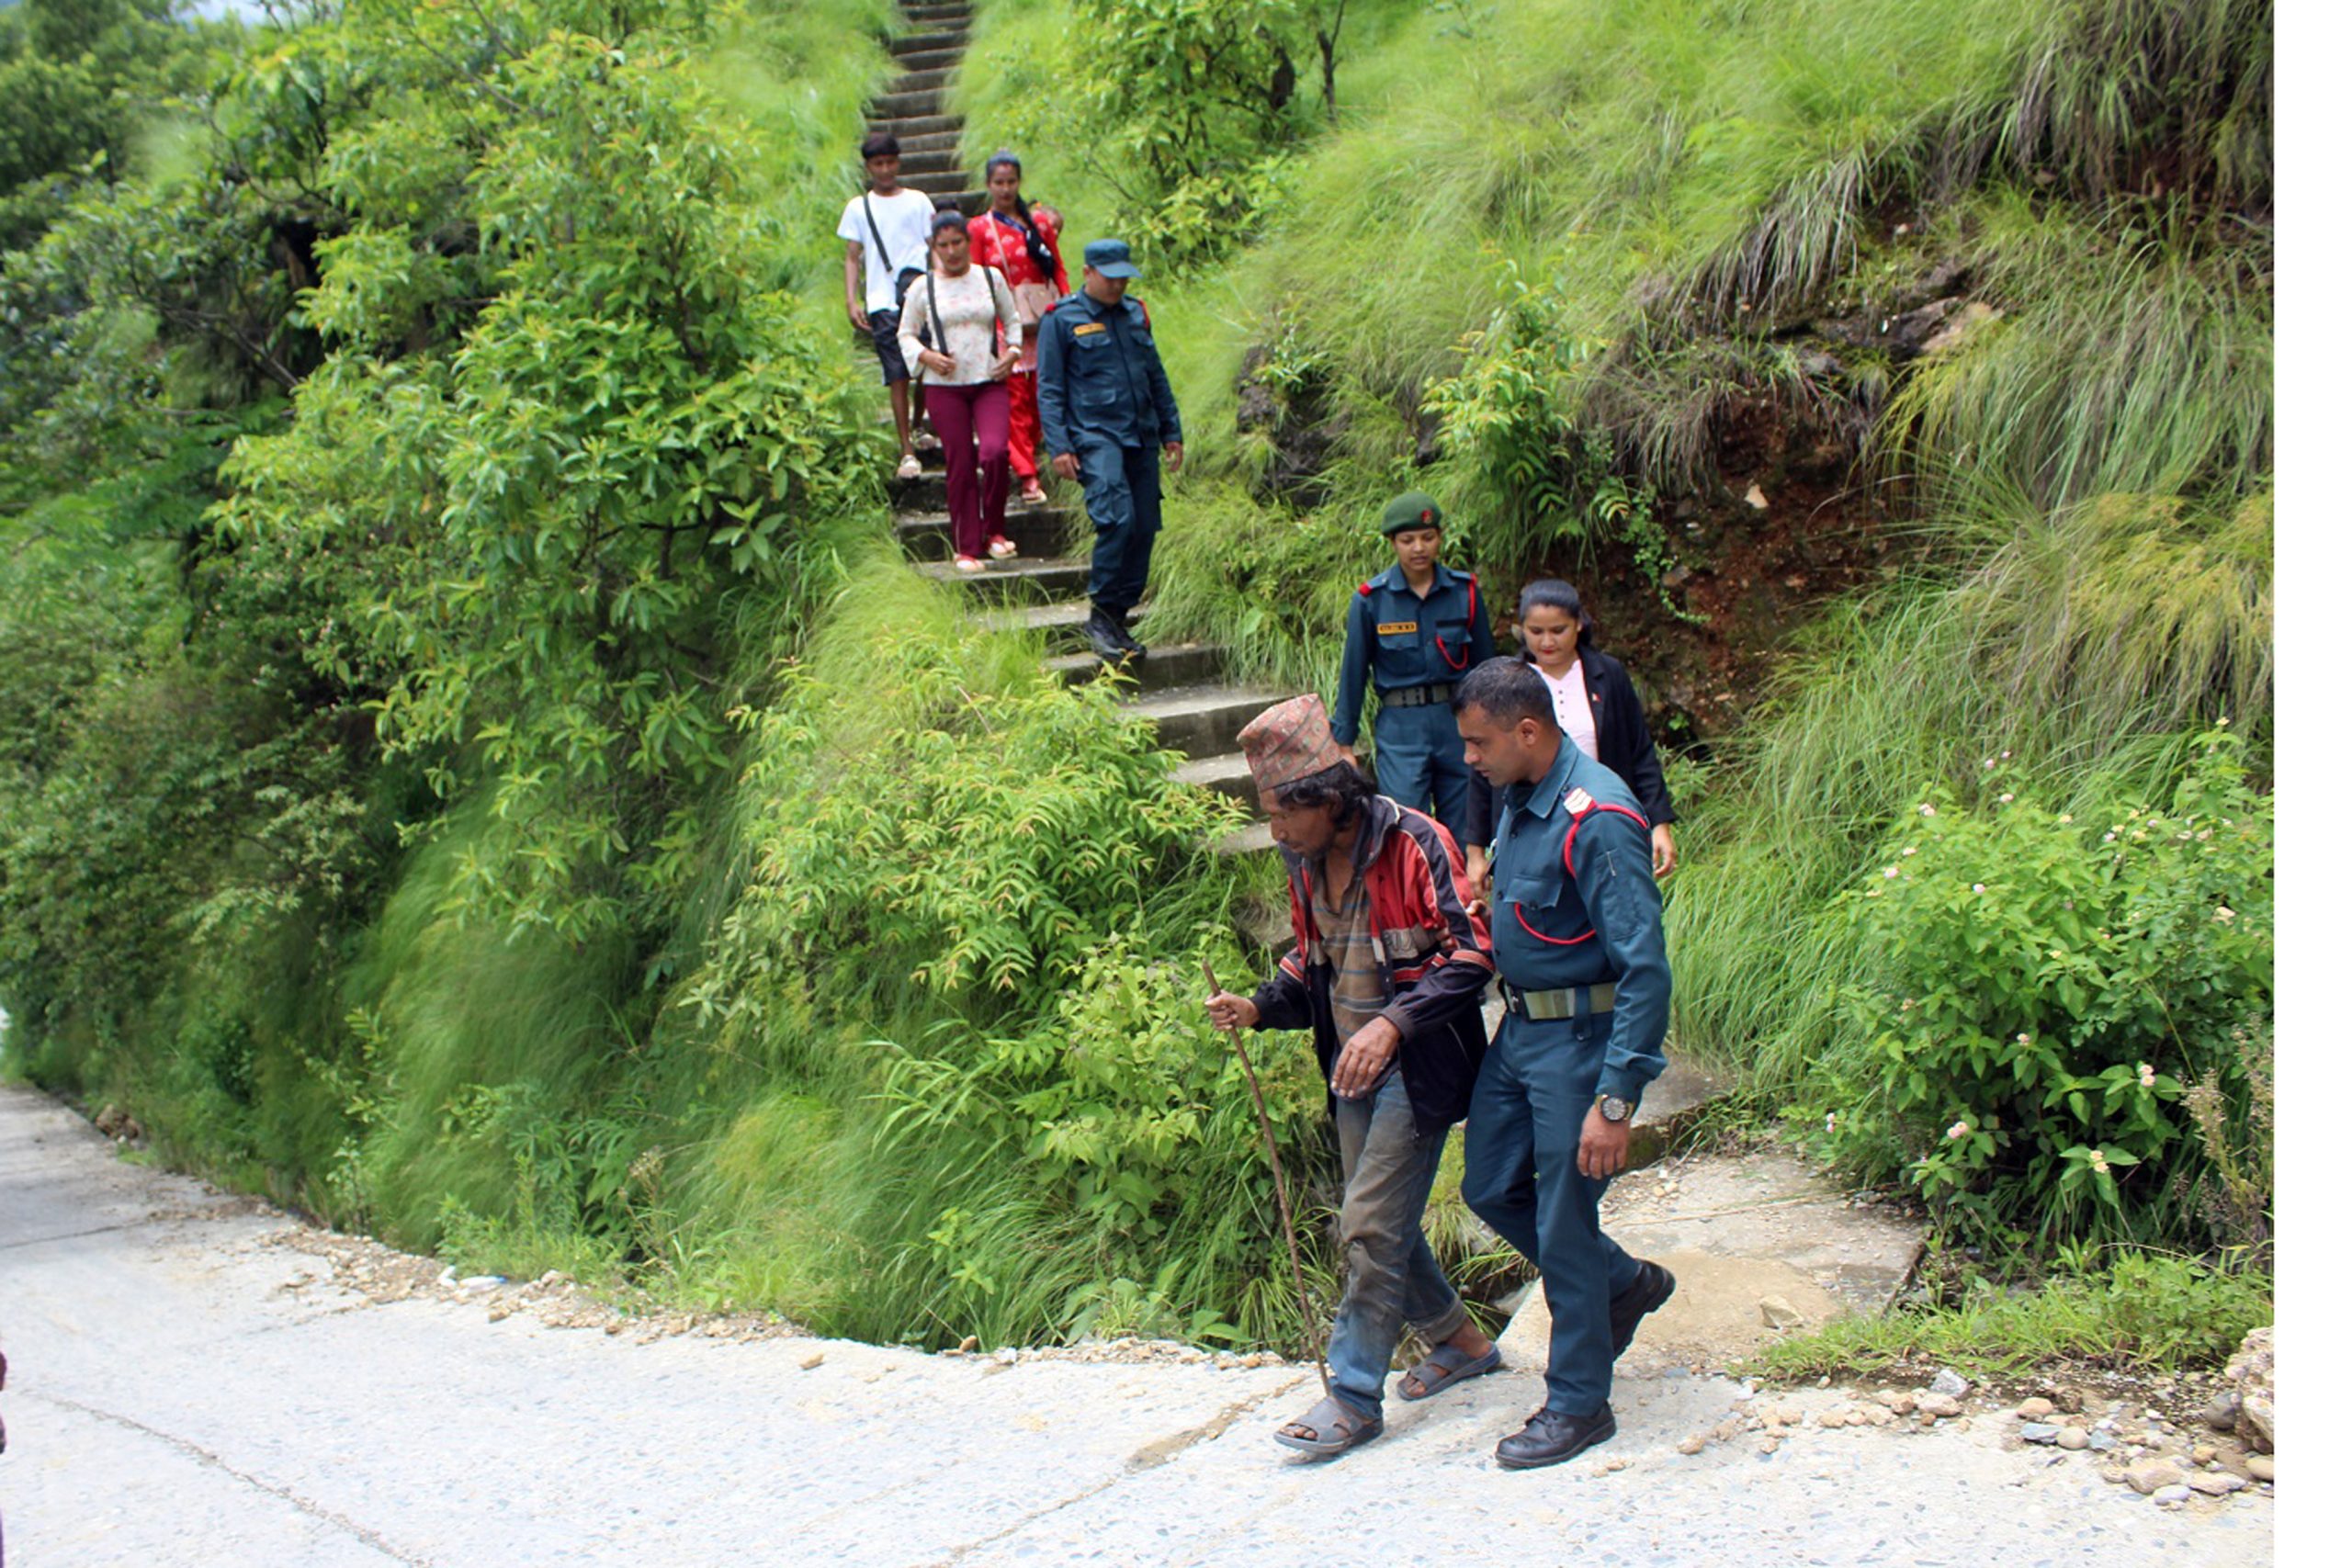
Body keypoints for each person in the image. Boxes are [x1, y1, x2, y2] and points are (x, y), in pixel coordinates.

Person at [1204, 694, 1500, 1460]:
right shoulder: (1305, 864)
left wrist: (1392, 1023)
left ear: (1326, 799)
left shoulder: (1415, 842)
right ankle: (1460, 1340)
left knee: (1368, 1223)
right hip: (1350, 1065)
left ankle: (1354, 1393)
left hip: (1419, 1063)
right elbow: (1311, 960)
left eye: (1280, 814)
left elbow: (1473, 956)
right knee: (1378, 1218)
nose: (1274, 830)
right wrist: (1260, 1006)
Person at [1449, 658, 1677, 1470]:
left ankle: (1580, 1402)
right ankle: (1622, 1283)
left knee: (1563, 1219)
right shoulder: (1520, 798)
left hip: (1582, 1043)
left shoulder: (1600, 815)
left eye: (1479, 743)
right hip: (1521, 1033)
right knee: (1487, 1184)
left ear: (1528, 731)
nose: (1469, 758)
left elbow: (1645, 970)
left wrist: (1616, 1101)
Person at [1464, 578, 1680, 891]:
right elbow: (1482, 764)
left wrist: (1659, 825)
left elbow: (1639, 751)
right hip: (1526, 822)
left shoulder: (1608, 676)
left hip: (1600, 817)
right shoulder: (1505, 685)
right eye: (1536, 632)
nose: (1547, 641)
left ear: (1578, 624)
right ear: (1521, 629)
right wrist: (1475, 851)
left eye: (1558, 630)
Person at [1035, 238, 1182, 663]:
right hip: (1095, 435)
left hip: (1142, 433)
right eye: (1110, 277)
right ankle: (1100, 612)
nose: (1118, 285)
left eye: (1123, 277)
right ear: (1088, 273)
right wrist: (1059, 445)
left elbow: (1156, 375)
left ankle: (1118, 615)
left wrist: (1172, 429)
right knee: (1116, 518)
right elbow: (1049, 388)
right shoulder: (1061, 320)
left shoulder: (1136, 313)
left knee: (1143, 526)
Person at [1330, 492, 1496, 854]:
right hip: (1401, 730)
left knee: (1466, 829)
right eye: (1407, 540)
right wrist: (1343, 742)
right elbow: (1353, 673)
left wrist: (1493, 728)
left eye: (1428, 537)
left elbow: (1487, 669)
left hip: (1458, 724)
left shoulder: (1464, 592)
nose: (1418, 548)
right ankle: (1416, 908)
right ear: (1392, 543)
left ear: (1439, 538)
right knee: (1405, 826)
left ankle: (1466, 906)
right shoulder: (1371, 600)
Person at [897, 212, 1023, 570]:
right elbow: (905, 333)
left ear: (969, 242)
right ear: (933, 248)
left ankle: (995, 532)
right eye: (944, 245)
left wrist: (1012, 354)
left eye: (957, 243)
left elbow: (1012, 322)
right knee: (960, 463)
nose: (952, 252)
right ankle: (966, 546)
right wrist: (927, 356)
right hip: (944, 387)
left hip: (988, 380)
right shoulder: (925, 287)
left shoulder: (989, 278)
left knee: (996, 452)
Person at [966, 152, 1069, 505]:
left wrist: (1068, 307)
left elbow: (1057, 268)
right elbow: (977, 278)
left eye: (1011, 182)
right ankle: (1027, 474)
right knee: (1013, 401)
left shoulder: (1038, 222)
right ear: (988, 185)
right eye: (999, 182)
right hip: (1003, 324)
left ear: (1019, 182)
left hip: (1044, 320)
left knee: (1045, 392)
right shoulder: (979, 229)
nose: (1006, 188)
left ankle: (1042, 456)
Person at [837, 131, 938, 480]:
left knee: (925, 367)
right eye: (878, 164)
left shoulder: (919, 201)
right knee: (897, 374)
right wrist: (852, 299)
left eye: (890, 162)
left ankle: (920, 425)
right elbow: (852, 256)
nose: (885, 169)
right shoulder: (858, 208)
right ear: (868, 167)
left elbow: (934, 244)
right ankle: (906, 447)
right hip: (882, 301)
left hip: (921, 295)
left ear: (898, 162)